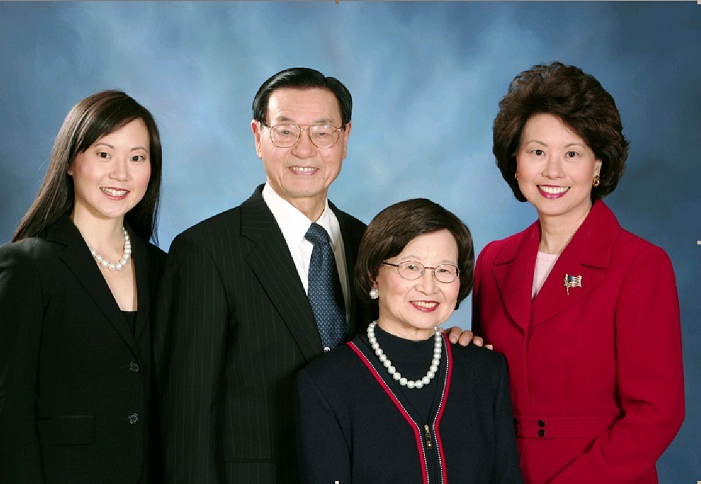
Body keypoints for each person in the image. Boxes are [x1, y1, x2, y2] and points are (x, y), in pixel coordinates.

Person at [152, 67, 477, 483]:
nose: (304, 150)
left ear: (344, 139)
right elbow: (187, 418)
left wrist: (447, 340)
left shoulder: (371, 244)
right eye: (285, 131)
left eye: (322, 131)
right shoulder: (205, 251)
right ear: (257, 136)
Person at [471, 62, 684, 482]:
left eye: (572, 153)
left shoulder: (640, 264)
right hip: (504, 471)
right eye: (537, 152)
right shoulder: (493, 261)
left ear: (598, 165)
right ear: (516, 163)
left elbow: (657, 413)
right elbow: (488, 387)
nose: (553, 171)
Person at [0, 90, 166, 484]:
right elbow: (11, 412)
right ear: (71, 160)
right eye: (104, 154)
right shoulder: (28, 265)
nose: (121, 174)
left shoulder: (165, 268)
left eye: (137, 157)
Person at [296, 198, 522, 483]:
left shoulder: (486, 372)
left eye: (443, 270)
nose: (428, 287)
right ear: (373, 276)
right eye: (411, 267)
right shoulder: (325, 383)